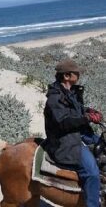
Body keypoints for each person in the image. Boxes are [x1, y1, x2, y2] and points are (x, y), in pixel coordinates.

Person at [44, 59, 103, 207]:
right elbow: (63, 122)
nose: (80, 75)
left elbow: (76, 111)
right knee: (92, 173)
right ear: (67, 76)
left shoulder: (71, 92)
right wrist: (86, 118)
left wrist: (88, 111)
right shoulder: (54, 98)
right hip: (65, 141)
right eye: (77, 73)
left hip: (79, 133)